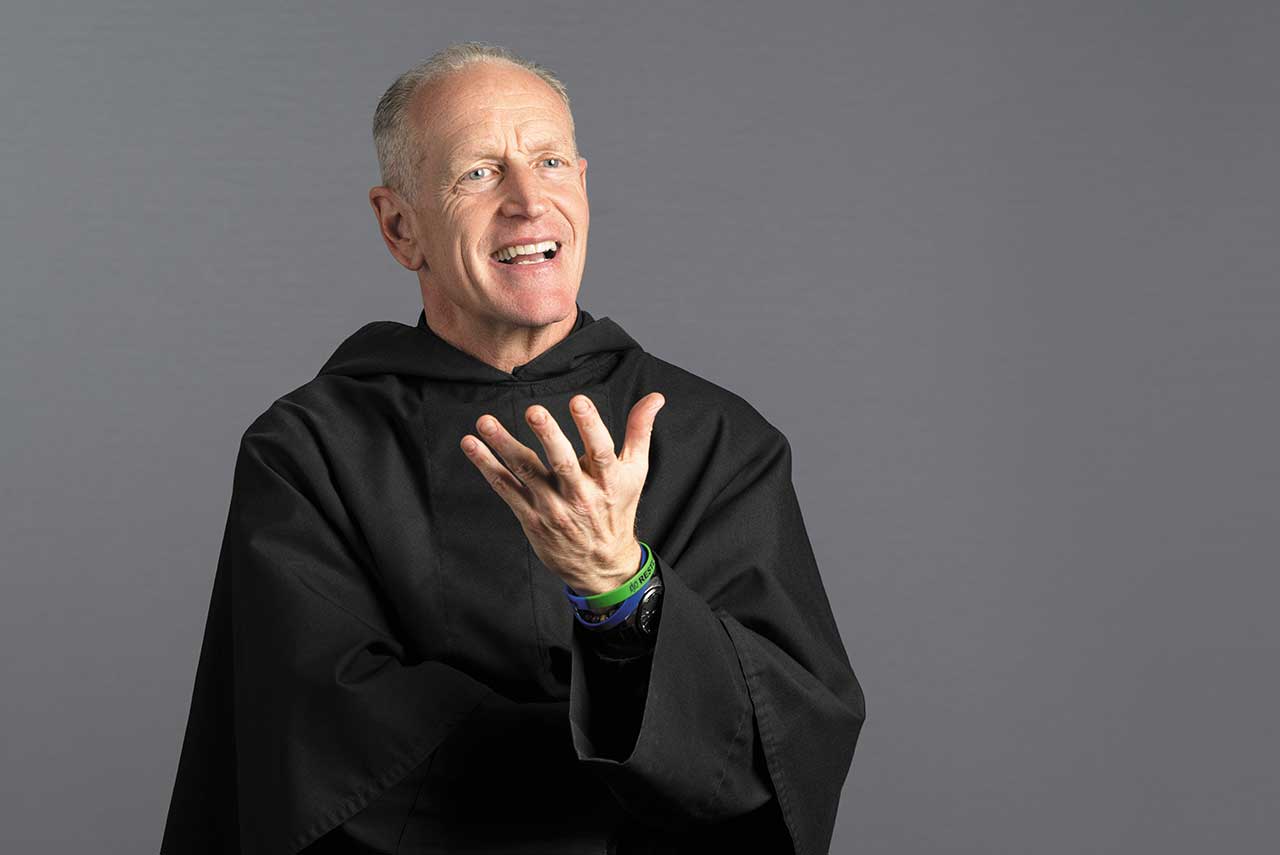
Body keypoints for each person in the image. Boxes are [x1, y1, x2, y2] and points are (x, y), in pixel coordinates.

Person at [160, 42, 866, 855]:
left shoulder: (715, 438)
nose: (529, 203)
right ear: (400, 226)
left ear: (583, 187)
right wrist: (610, 750)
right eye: (479, 173)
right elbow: (319, 756)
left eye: (551, 162)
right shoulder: (309, 451)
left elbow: (782, 738)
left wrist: (621, 591)